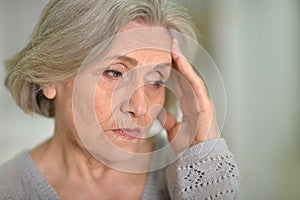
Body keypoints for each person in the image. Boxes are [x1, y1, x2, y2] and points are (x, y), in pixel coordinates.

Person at [0, 0, 240, 199]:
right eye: (115, 73)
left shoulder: (194, 176)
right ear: (50, 77)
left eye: (156, 80)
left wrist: (206, 166)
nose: (141, 107)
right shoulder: (9, 190)